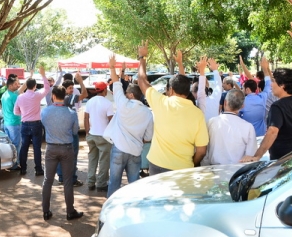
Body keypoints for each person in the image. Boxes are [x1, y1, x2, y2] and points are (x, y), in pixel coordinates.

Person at [241, 20, 292, 162]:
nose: (271, 85)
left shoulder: (277, 107)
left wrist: (257, 156)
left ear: (282, 85)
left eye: (273, 82)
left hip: (282, 162)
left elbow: (272, 132)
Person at [137, 41, 208, 175]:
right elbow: (201, 151)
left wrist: (142, 57)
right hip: (183, 168)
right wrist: (192, 163)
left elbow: (141, 80)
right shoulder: (197, 114)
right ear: (187, 92)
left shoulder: (161, 102)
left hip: (157, 164)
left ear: (171, 90)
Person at [106, 55, 153, 198]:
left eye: (127, 93)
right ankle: (135, 206)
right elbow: (148, 136)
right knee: (134, 183)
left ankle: (110, 207)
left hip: (119, 149)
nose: (125, 94)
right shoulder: (147, 112)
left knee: (114, 182)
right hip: (136, 151)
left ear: (131, 95)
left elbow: (116, 85)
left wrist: (112, 67)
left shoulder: (123, 105)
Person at [40, 85, 84, 222]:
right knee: (68, 181)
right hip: (67, 148)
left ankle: (45, 211)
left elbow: (44, 125)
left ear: (53, 96)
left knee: (48, 180)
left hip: (51, 148)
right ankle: (70, 211)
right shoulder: (71, 113)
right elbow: (75, 131)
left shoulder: (45, 111)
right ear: (65, 96)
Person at [202, 89, 256, 165]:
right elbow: (250, 155)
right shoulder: (248, 127)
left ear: (225, 102)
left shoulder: (211, 122)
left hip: (213, 169)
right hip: (237, 170)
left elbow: (204, 151)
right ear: (242, 106)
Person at [14, 66, 50, 176]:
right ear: (35, 86)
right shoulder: (37, 95)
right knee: (37, 148)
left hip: (25, 124)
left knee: (24, 147)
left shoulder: (20, 97)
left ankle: (23, 168)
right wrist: (43, 75)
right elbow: (47, 88)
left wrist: (24, 114)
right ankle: (38, 169)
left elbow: (16, 111)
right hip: (36, 124)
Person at [57, 72, 87, 186]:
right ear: (64, 89)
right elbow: (85, 94)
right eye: (70, 88)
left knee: (61, 155)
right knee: (73, 155)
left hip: (61, 130)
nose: (72, 90)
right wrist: (81, 82)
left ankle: (61, 177)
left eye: (72, 88)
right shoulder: (69, 98)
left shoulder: (59, 99)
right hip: (71, 132)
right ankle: (72, 179)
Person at [85, 80, 115, 192]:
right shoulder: (108, 103)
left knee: (92, 159)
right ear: (105, 90)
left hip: (92, 135)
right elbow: (111, 120)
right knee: (104, 161)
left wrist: (87, 131)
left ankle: (90, 182)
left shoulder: (90, 101)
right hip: (104, 136)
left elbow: (86, 117)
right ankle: (101, 184)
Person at [239, 57, 272, 137]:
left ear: (247, 89)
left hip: (247, 135)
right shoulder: (263, 97)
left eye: (243, 88)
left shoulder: (241, 102)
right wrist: (265, 69)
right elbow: (268, 84)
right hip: (261, 134)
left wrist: (242, 64)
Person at [1, 76, 24, 169]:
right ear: (10, 86)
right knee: (16, 144)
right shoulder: (14, 96)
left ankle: (9, 162)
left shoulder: (4, 95)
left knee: (10, 145)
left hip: (7, 122)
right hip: (14, 123)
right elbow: (20, 109)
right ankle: (14, 164)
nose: (18, 85)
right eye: (15, 84)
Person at [194, 56, 223, 122]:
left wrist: (201, 71)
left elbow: (202, 88)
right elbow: (218, 85)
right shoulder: (214, 99)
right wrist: (215, 70)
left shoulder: (195, 103)